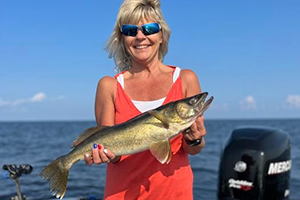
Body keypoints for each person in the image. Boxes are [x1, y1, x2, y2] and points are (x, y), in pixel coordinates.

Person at [84, 0, 207, 199]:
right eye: (131, 30)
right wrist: (103, 154)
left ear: (161, 35)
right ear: (122, 38)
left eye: (149, 28)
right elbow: (111, 152)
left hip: (175, 193)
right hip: (122, 193)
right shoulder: (109, 86)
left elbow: (193, 150)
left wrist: (196, 140)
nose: (140, 36)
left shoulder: (186, 79)